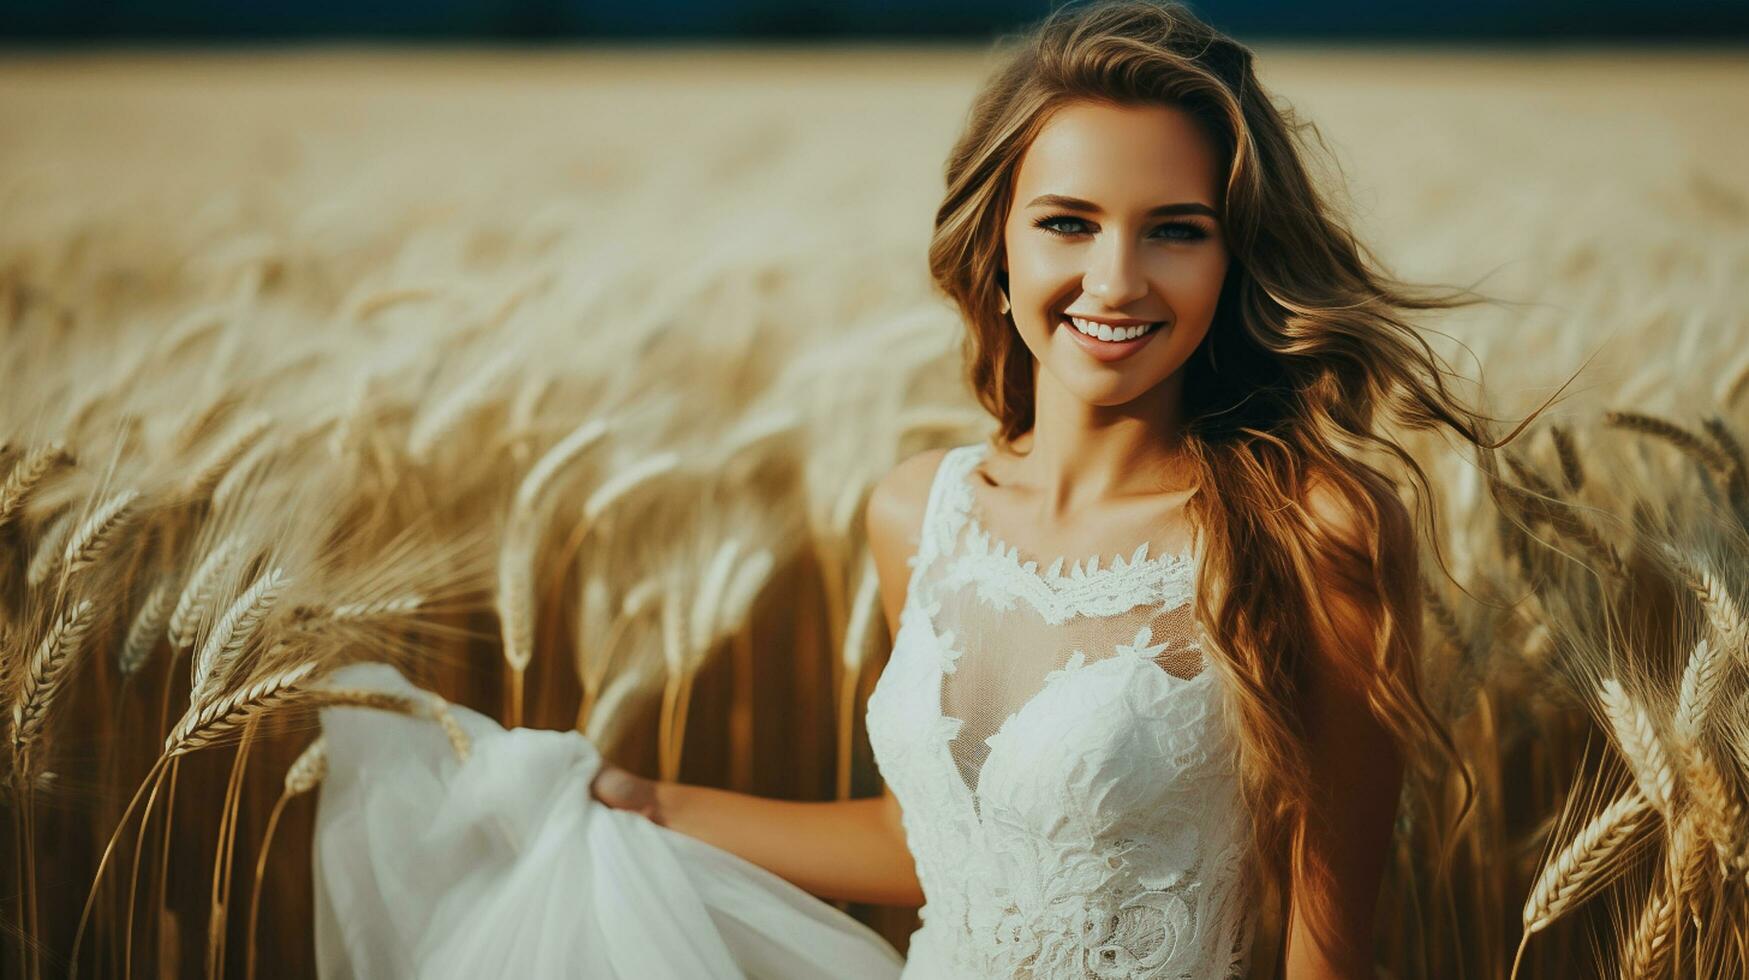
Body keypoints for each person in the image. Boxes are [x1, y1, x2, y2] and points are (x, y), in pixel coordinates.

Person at [315, 2, 1530, 976]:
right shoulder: (917, 511)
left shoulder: (1309, 529)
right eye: (1067, 222)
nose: (1116, 278)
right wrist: (646, 797)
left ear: (1234, 255)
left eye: (1176, 229)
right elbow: (937, 840)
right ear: (993, 242)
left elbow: (1335, 942)